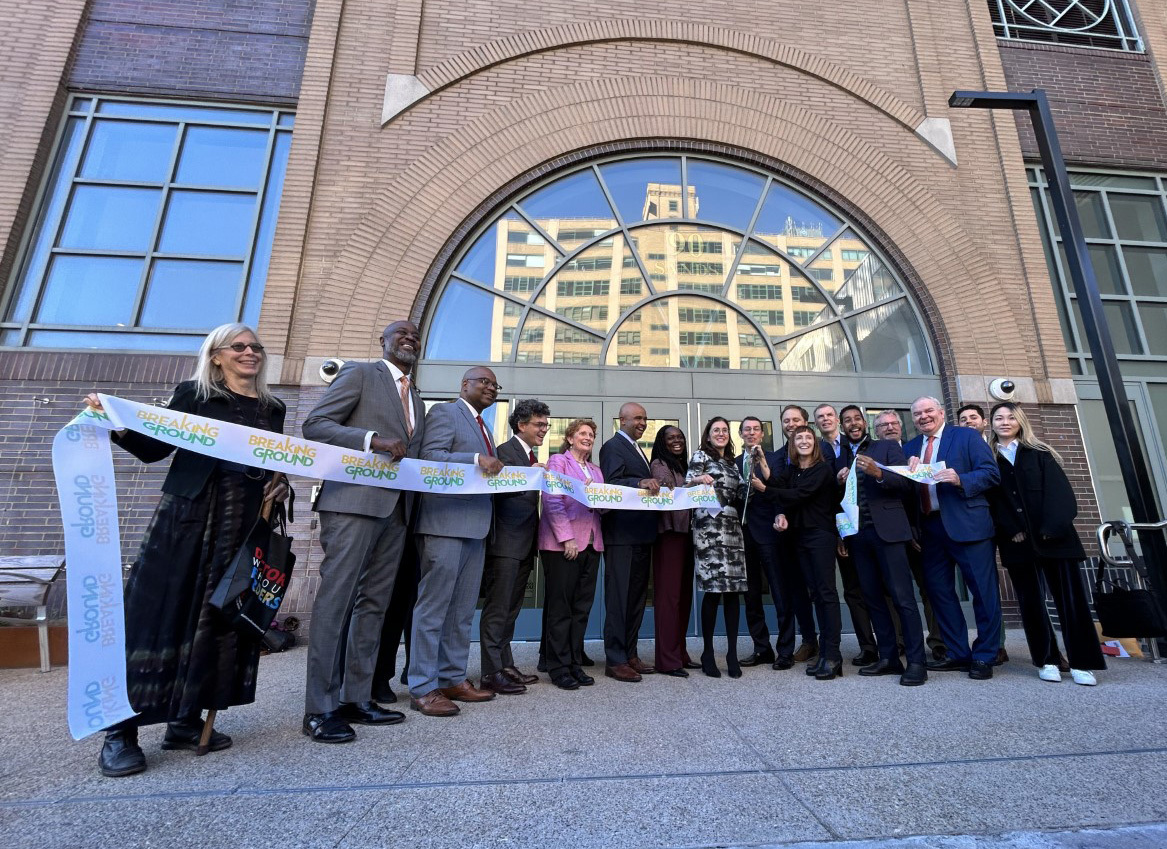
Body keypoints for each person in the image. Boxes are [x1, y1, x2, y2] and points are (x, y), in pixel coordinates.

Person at [87, 322, 290, 777]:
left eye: (255, 346)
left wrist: (280, 482)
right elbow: (152, 448)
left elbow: (276, 460)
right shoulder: (194, 396)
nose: (249, 352)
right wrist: (112, 420)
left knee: (218, 619)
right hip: (189, 518)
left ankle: (184, 720)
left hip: (243, 525)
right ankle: (120, 732)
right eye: (237, 346)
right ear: (216, 356)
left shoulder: (273, 407)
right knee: (158, 615)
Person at [301, 320, 424, 742]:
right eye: (401, 333)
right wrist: (372, 440)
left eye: (415, 334)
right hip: (352, 503)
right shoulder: (358, 373)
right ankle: (319, 708)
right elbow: (315, 425)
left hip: (396, 512)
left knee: (374, 605)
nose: (409, 337)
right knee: (337, 601)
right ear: (383, 342)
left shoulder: (417, 398)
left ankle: (356, 697)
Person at [408, 367, 505, 716]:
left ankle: (451, 677)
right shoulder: (445, 412)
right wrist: (475, 459)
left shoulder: (486, 427)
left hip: (476, 528)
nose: (491, 388)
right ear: (464, 385)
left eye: (495, 385)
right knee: (433, 609)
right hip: (445, 523)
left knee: (462, 612)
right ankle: (422, 685)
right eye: (484, 382)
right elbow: (430, 458)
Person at [988, 402, 1104, 686]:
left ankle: (1081, 662)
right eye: (998, 418)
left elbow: (1060, 493)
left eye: (1010, 417)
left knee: (1070, 602)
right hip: (1017, 543)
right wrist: (1011, 529)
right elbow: (994, 500)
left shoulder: (1040, 454)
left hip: (1056, 540)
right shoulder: (989, 458)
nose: (1004, 422)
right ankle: (1047, 659)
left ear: (1020, 421)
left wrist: (1051, 528)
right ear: (991, 424)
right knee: (1031, 603)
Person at [905, 396, 1003, 680]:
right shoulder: (911, 448)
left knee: (983, 594)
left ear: (941, 412)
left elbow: (991, 474)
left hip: (968, 525)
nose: (923, 417)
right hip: (930, 530)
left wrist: (961, 479)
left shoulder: (966, 437)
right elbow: (908, 492)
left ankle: (985, 655)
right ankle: (958, 652)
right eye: (917, 413)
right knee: (940, 593)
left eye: (928, 411)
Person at [837, 405, 927, 687]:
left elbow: (906, 484)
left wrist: (878, 473)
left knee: (902, 598)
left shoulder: (886, 447)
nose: (853, 424)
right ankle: (888, 657)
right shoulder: (840, 457)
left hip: (888, 532)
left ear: (865, 423)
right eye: (847, 421)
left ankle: (916, 662)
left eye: (857, 419)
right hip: (858, 536)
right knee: (873, 598)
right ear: (842, 428)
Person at [479, 399, 550, 695]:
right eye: (539, 424)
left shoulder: (530, 456)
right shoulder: (504, 452)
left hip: (524, 544)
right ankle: (491, 672)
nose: (544, 430)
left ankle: (505, 664)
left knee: (511, 609)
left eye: (546, 425)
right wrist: (533, 476)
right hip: (505, 544)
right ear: (521, 425)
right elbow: (499, 492)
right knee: (498, 609)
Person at [873, 409, 947, 661]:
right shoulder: (874, 453)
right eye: (883, 425)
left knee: (928, 586)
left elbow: (918, 492)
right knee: (891, 590)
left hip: (919, 530)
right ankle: (900, 640)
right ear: (877, 431)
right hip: (888, 533)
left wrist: (916, 527)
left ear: (902, 427)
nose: (890, 427)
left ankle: (938, 641)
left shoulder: (916, 451)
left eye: (894, 423)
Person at [772, 426, 845, 680]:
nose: (803, 441)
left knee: (826, 593)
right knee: (815, 593)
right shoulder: (791, 471)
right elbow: (778, 487)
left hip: (820, 535)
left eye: (808, 438)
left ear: (815, 444)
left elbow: (798, 495)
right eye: (798, 438)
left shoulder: (822, 470)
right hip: (799, 538)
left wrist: (765, 491)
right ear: (792, 444)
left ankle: (833, 655)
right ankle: (824, 653)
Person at [539, 418, 606, 690]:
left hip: (592, 544)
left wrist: (598, 498)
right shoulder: (558, 462)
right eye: (582, 433)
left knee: (581, 608)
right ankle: (557, 667)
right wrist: (566, 538)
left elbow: (604, 508)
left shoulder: (596, 471)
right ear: (570, 438)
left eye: (591, 434)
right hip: (563, 545)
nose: (587, 437)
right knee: (561, 608)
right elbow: (552, 500)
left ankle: (574, 662)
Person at [599, 401, 661, 682]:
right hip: (621, 536)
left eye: (645, 419)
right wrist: (640, 482)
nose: (642, 423)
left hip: (642, 535)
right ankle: (615, 659)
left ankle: (630, 653)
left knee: (636, 599)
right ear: (621, 420)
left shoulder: (637, 449)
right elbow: (612, 482)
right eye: (637, 418)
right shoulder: (612, 446)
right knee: (619, 599)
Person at [686, 417, 748, 678]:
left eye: (724, 430)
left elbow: (742, 493)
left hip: (732, 527)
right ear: (708, 435)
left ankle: (732, 653)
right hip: (709, 528)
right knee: (713, 592)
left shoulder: (733, 463)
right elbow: (687, 482)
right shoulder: (701, 455)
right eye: (716, 430)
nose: (721, 434)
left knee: (733, 593)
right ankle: (708, 652)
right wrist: (700, 478)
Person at [818, 402, 878, 667]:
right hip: (846, 530)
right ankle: (868, 646)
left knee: (882, 588)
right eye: (821, 417)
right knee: (853, 591)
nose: (852, 424)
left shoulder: (867, 446)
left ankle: (896, 642)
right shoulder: (826, 452)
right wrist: (839, 534)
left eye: (830, 415)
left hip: (876, 528)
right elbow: (830, 496)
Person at [735, 417, 795, 669]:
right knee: (750, 596)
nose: (751, 433)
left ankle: (785, 651)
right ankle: (762, 648)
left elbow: (781, 490)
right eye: (746, 429)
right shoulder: (734, 463)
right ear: (740, 433)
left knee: (780, 593)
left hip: (769, 532)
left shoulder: (775, 459)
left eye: (756, 429)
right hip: (743, 533)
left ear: (762, 434)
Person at [959, 401, 1011, 666]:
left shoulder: (996, 450)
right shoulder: (961, 447)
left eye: (973, 417)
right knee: (984, 588)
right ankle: (997, 645)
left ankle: (994, 644)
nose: (968, 421)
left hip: (1001, 524)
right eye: (964, 419)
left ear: (983, 422)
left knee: (988, 589)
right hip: (974, 523)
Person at [773, 405, 821, 662]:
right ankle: (809, 640)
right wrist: (779, 513)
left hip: (816, 531)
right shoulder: (777, 457)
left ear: (806, 423)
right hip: (787, 535)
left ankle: (829, 640)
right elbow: (777, 491)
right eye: (786, 420)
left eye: (796, 420)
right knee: (797, 590)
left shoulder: (819, 453)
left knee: (821, 588)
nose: (791, 424)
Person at [650, 425, 698, 676]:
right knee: (669, 598)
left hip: (686, 535)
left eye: (680, 437)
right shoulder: (660, 463)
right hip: (669, 535)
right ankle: (667, 660)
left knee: (683, 597)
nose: (677, 441)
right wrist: (691, 484)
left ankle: (680, 652)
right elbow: (666, 485)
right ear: (662, 442)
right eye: (671, 438)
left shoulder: (684, 465)